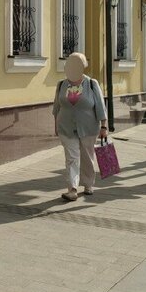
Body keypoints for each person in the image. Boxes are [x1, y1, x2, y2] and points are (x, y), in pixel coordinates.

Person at [53, 52, 108, 201]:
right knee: (72, 158)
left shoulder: (91, 84)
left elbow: (100, 106)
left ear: (83, 66)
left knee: (87, 158)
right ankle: (72, 189)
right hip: (66, 127)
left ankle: (88, 184)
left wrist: (104, 126)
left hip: (88, 128)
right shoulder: (61, 85)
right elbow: (56, 107)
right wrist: (55, 126)